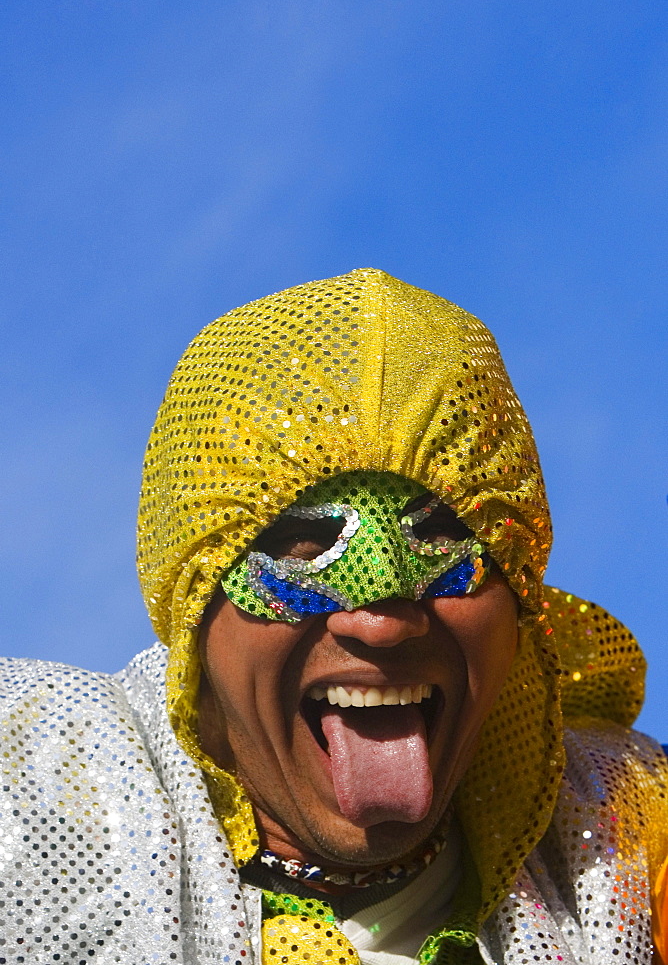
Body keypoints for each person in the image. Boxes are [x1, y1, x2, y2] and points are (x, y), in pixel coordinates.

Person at [1, 268, 666, 965]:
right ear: (195, 603)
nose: (381, 623)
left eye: (442, 543)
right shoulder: (34, 792)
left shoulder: (629, 838)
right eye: (302, 549)